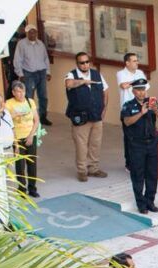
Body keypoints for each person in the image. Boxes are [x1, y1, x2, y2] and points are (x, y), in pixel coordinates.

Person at [121, 79, 158, 214]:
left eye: (143, 90)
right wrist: (141, 113)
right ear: (133, 91)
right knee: (138, 175)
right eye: (138, 90)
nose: (141, 93)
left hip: (151, 143)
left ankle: (150, 201)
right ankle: (141, 204)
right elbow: (127, 122)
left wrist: (156, 110)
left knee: (152, 174)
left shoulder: (152, 103)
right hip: (136, 144)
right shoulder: (128, 105)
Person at [64, 52, 108, 183]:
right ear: (77, 64)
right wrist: (84, 81)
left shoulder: (97, 74)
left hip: (96, 115)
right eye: (82, 63)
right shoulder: (71, 74)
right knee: (81, 145)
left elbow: (105, 91)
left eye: (87, 62)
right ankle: (82, 171)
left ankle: (93, 168)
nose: (85, 65)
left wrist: (104, 109)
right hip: (81, 117)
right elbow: (69, 84)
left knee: (96, 144)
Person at [4, 80, 40, 197]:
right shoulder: (9, 103)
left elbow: (36, 120)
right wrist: (15, 115)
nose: (20, 94)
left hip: (30, 135)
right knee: (20, 165)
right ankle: (22, 189)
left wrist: (31, 135)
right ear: (13, 92)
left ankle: (32, 188)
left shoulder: (30, 102)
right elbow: (7, 120)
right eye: (17, 92)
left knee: (32, 163)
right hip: (17, 137)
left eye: (22, 91)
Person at [13, 26, 52, 126]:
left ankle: (43, 117)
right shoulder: (21, 44)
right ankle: (29, 119)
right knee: (29, 97)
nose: (33, 34)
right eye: (30, 32)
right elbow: (17, 60)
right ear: (27, 33)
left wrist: (48, 72)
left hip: (41, 72)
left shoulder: (41, 44)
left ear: (37, 32)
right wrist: (20, 74)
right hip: (28, 73)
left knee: (43, 96)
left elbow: (45, 59)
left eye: (34, 32)